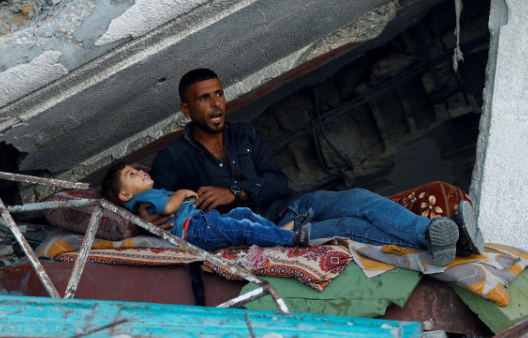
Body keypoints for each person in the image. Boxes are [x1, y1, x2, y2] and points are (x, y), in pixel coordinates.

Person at [143, 68, 474, 266]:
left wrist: (236, 192)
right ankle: (444, 243)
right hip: (270, 230)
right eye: (204, 98)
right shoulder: (173, 158)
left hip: (293, 204)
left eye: (219, 94)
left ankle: (432, 234)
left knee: (359, 198)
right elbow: (152, 208)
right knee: (348, 224)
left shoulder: (244, 134)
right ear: (186, 109)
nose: (216, 104)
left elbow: (278, 182)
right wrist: (153, 215)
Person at [101, 161, 304, 250]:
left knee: (243, 213)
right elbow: (169, 208)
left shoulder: (146, 196)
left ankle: (275, 233)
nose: (139, 171)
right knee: (240, 227)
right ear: (125, 194)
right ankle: (287, 238)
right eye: (132, 174)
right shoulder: (146, 198)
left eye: (135, 169)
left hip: (201, 222)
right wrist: (182, 193)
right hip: (196, 229)